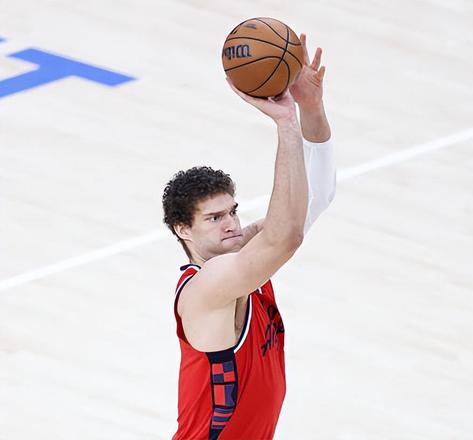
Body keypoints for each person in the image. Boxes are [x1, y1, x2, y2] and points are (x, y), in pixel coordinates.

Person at [162, 34, 335, 440]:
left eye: (232, 212)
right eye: (214, 218)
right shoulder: (206, 287)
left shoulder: (245, 256)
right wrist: (286, 124)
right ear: (183, 229)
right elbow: (286, 236)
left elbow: (316, 197)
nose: (231, 224)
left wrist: (311, 109)